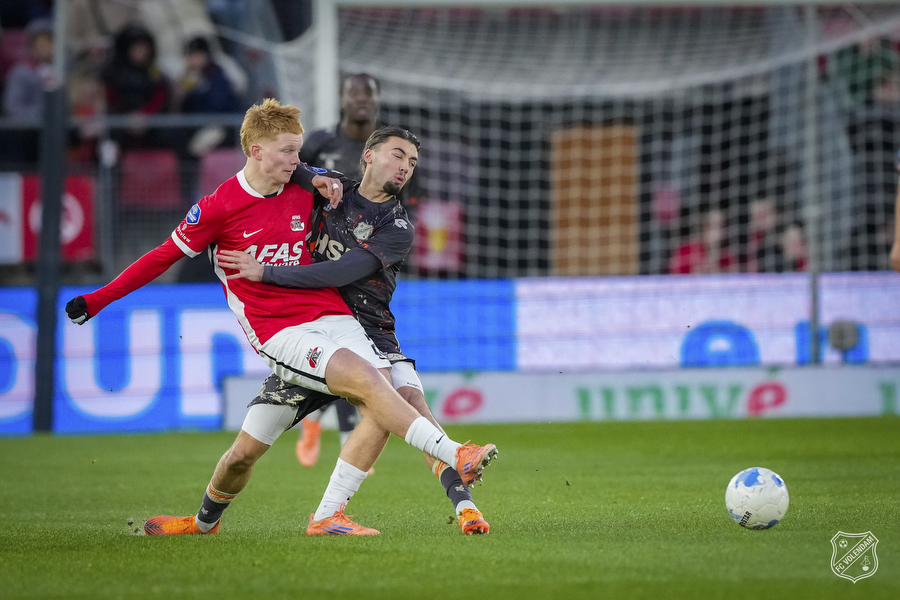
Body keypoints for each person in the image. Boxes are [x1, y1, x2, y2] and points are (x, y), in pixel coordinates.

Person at [63, 99, 497, 536]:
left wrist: (307, 182)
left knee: (380, 389)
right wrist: (97, 300)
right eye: (289, 152)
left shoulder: (313, 189)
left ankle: (341, 510)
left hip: (333, 314)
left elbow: (314, 185)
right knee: (242, 456)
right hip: (279, 330)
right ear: (256, 151)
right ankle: (203, 523)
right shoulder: (219, 207)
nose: (298, 161)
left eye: (298, 152)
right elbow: (162, 256)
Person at [216, 126, 490, 535]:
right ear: (368, 155)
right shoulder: (331, 189)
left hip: (370, 332)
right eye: (398, 155)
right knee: (243, 453)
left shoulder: (397, 226)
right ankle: (204, 520)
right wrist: (309, 175)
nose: (405, 166)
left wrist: (268, 273)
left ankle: (462, 506)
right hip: (309, 329)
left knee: (406, 401)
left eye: (412, 162)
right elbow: (286, 166)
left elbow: (341, 272)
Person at [293, 72, 388, 464]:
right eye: (354, 93)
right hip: (320, 260)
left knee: (356, 352)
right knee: (342, 349)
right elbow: (292, 181)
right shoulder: (319, 143)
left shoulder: (388, 147)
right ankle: (339, 436)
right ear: (341, 99)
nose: (361, 99)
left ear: (378, 100)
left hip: (364, 264)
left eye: (369, 93)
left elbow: (404, 200)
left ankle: (316, 421)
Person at [1, 17, 53, 166]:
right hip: (27, 135)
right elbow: (12, 107)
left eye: (49, 41)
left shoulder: (65, 70)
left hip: (55, 133)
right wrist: (42, 114)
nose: (46, 47)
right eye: (41, 43)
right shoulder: (21, 72)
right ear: (32, 45)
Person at [669, 205, 737, 274]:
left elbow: (734, 276)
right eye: (711, 226)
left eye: (721, 226)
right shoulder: (686, 250)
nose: (717, 231)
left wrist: (719, 270)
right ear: (703, 228)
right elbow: (674, 275)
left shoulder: (727, 256)